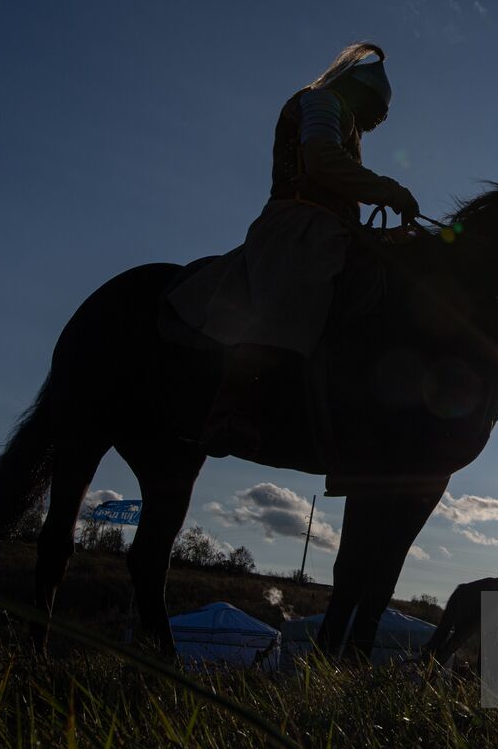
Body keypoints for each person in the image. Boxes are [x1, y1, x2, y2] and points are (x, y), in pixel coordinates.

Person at [168, 43, 420, 453]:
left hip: (330, 229)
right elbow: (320, 160)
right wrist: (389, 190)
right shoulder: (320, 101)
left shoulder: (347, 122)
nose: (376, 119)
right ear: (357, 91)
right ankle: (231, 412)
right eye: (375, 107)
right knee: (296, 293)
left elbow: (343, 207)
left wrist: (388, 241)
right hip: (296, 224)